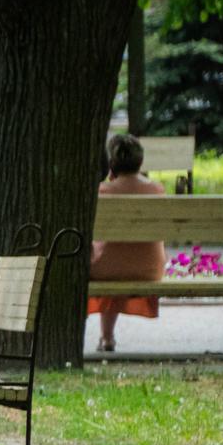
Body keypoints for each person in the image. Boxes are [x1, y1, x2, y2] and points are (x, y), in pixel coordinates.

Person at [87, 133, 167, 352]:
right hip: (148, 268)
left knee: (107, 257)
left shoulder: (102, 191)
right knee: (117, 256)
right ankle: (107, 337)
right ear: (139, 160)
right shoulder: (157, 190)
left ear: (111, 162)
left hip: (106, 270)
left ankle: (106, 337)